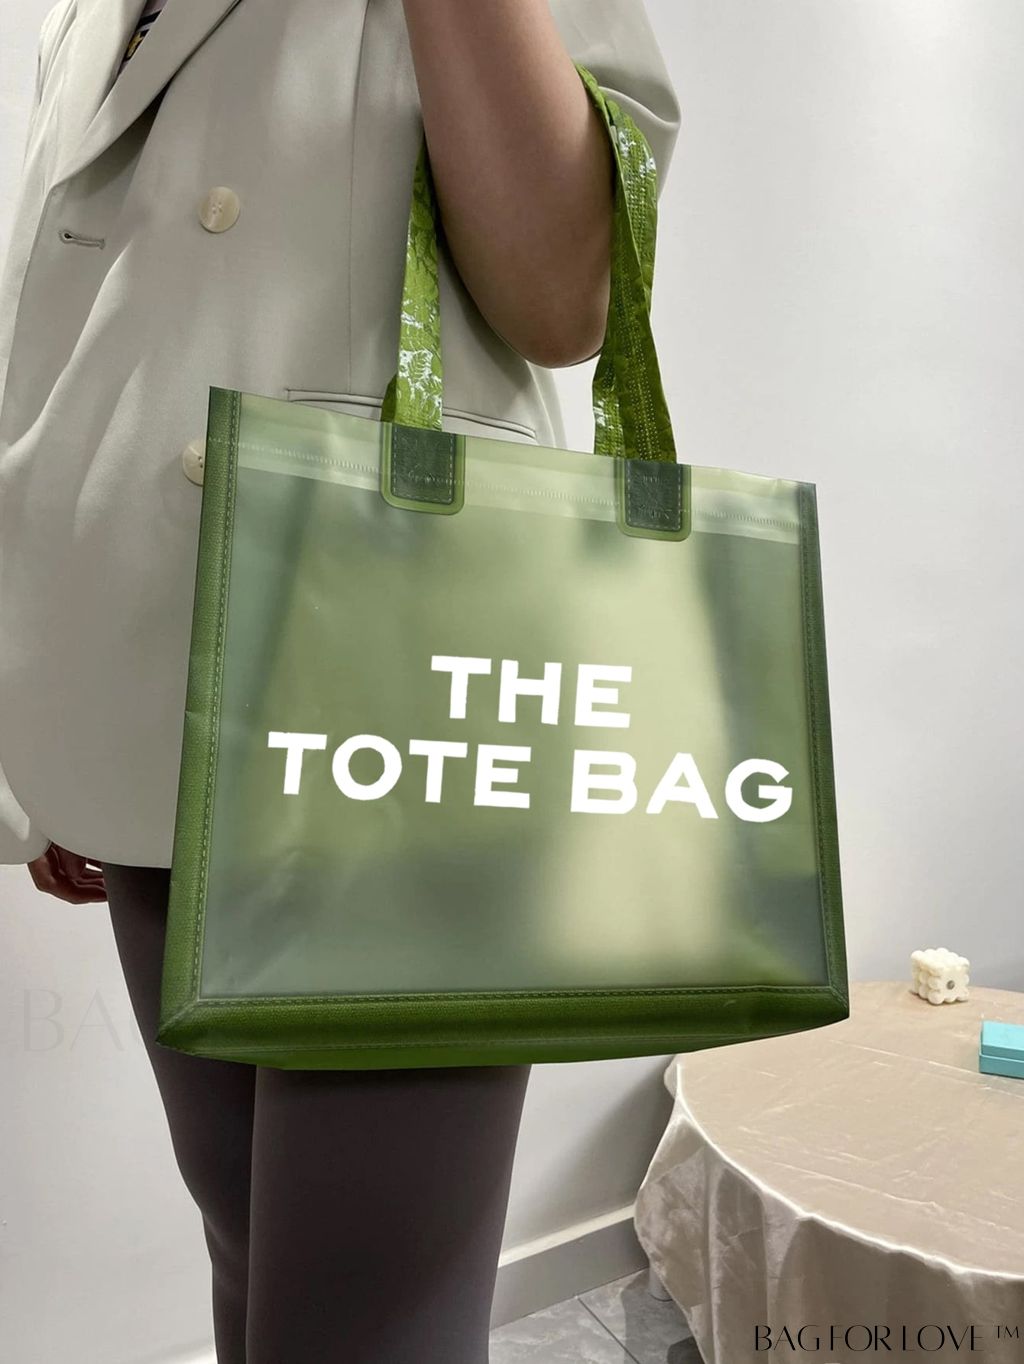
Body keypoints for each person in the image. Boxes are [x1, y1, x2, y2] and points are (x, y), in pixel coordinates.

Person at [0, 0, 680, 1359]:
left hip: (394, 702)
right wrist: (51, 732)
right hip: (144, 689)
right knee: (248, 1242)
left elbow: (568, 299)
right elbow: (62, 337)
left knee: (367, 1318)